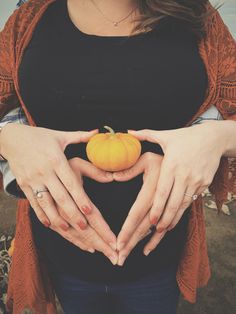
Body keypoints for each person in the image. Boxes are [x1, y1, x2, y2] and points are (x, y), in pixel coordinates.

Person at [0, 0, 235, 313]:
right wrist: (8, 138)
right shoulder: (28, 20)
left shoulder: (198, 16)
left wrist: (219, 137)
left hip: (159, 253)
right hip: (62, 251)